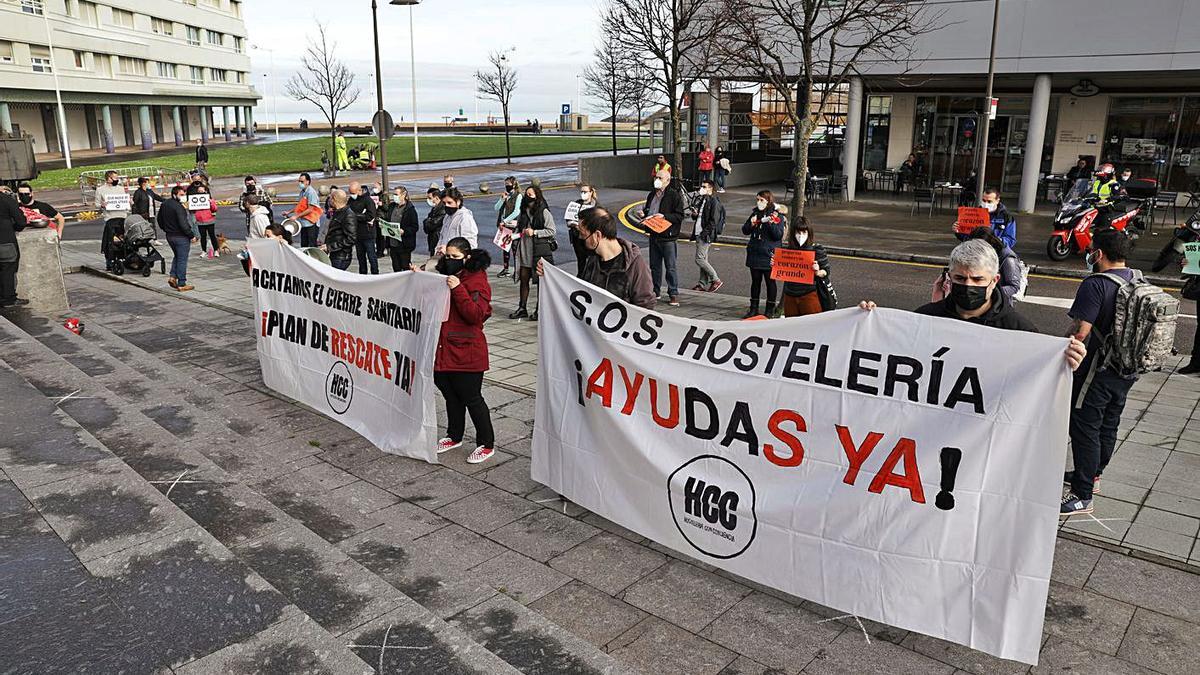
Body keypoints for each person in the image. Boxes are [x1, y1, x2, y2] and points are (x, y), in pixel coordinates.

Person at [857, 239, 1085, 358]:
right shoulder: (925, 318)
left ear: (995, 280)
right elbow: (888, 351)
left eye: (977, 280)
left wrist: (1065, 361)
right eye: (960, 278)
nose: (968, 285)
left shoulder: (1019, 330)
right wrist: (869, 324)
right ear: (949, 277)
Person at [1062, 229, 1140, 516]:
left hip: (1097, 369)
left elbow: (1081, 332)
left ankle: (1082, 495)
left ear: (1100, 253)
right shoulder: (1137, 279)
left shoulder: (1096, 284)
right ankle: (1093, 475)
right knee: (1109, 423)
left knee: (1085, 428)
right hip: (1127, 368)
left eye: (1093, 249)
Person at [433, 237, 496, 465]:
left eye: (455, 257)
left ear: (467, 257)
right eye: (447, 256)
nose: (450, 261)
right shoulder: (448, 275)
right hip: (444, 347)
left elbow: (476, 315)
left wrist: (458, 289)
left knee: (471, 398)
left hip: (466, 350)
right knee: (451, 395)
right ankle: (454, 435)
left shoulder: (476, 280)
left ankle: (486, 443)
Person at [540, 207, 656, 310]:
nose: (579, 238)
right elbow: (579, 293)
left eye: (582, 234)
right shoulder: (591, 261)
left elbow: (645, 307)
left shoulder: (634, 264)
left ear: (597, 235)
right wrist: (550, 276)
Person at [509, 185, 557, 320]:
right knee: (524, 279)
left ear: (537, 196)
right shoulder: (523, 211)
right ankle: (522, 307)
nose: (528, 196)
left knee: (540, 282)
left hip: (538, 250)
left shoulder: (544, 212)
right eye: (527, 194)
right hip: (524, 249)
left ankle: (539, 309)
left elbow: (552, 230)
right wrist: (509, 228)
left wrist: (535, 232)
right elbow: (519, 228)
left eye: (531, 194)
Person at [639, 169, 684, 306]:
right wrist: (644, 214)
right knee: (655, 266)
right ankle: (655, 291)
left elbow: (679, 215)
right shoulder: (652, 194)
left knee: (671, 267)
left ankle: (673, 293)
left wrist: (664, 216)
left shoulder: (674, 195)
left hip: (668, 237)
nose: (656, 180)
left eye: (660, 178)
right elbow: (649, 210)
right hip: (654, 235)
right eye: (655, 177)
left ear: (667, 181)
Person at [742, 190, 785, 318]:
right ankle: (753, 308)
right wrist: (751, 223)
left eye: (762, 200)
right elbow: (745, 230)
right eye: (757, 200)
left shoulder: (777, 216)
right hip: (755, 252)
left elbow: (778, 235)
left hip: (769, 254)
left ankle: (769, 309)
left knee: (770, 283)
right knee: (755, 282)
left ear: (768, 201)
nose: (759, 202)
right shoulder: (755, 214)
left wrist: (771, 223)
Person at [781, 216, 830, 317]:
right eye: (798, 233)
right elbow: (780, 270)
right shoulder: (788, 251)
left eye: (804, 233)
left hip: (809, 295)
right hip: (790, 295)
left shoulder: (817, 250)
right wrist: (775, 264)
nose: (801, 236)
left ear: (809, 233)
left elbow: (826, 271)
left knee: (812, 326)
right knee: (791, 327)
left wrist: (818, 271)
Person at [159, 185, 196, 292]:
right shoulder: (179, 207)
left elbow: (159, 219)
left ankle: (172, 277)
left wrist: (166, 229)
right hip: (181, 237)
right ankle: (182, 283)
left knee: (177, 256)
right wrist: (191, 235)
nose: (183, 197)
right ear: (175, 194)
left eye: (184, 195)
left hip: (170, 236)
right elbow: (183, 224)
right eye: (181, 195)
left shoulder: (165, 204)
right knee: (182, 259)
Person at [690, 179, 723, 293]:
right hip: (699, 232)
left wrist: (704, 234)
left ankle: (716, 279)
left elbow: (713, 221)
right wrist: (695, 214)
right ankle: (702, 284)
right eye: (702, 186)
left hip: (705, 234)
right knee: (703, 259)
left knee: (699, 259)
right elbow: (699, 217)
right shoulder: (703, 199)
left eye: (704, 186)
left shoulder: (714, 202)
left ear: (711, 188)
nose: (702, 188)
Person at [0, 188, 28, 308]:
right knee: (7, 269)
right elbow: (21, 222)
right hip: (5, 241)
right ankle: (8, 299)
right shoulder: (6, 200)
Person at [381, 186, 418, 272]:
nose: (394, 196)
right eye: (394, 194)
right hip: (393, 243)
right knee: (396, 267)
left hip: (404, 244)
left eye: (396, 194)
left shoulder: (409, 210)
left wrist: (404, 231)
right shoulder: (392, 206)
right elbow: (387, 219)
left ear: (403, 195)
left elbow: (414, 227)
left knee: (405, 267)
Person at [566, 183, 598, 277]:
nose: (583, 193)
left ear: (591, 192)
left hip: (590, 237)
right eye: (582, 192)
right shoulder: (576, 204)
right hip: (577, 238)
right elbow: (568, 219)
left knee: (591, 261)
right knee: (581, 261)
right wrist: (573, 224)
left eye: (585, 191)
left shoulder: (596, 206)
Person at [348, 181, 379, 275]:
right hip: (357, 234)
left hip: (368, 233)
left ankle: (375, 274)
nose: (352, 195)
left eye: (353, 193)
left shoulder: (368, 200)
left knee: (371, 257)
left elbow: (371, 216)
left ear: (359, 190)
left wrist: (355, 216)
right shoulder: (351, 200)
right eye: (350, 193)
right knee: (360, 258)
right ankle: (363, 275)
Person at [322, 189, 357, 271]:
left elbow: (351, 239)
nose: (329, 200)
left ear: (334, 199)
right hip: (335, 254)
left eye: (330, 198)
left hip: (341, 257)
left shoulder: (348, 215)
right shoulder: (338, 212)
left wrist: (330, 247)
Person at [494, 176, 522, 278]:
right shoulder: (506, 196)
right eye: (505, 185)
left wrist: (505, 221)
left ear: (514, 185)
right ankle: (506, 269)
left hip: (513, 225)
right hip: (504, 225)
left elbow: (517, 211)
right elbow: (496, 208)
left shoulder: (518, 196)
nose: (507, 187)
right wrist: (502, 199)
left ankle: (516, 270)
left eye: (508, 185)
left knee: (514, 248)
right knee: (505, 247)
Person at [436, 187, 479, 252]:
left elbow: (470, 243)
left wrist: (449, 250)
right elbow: (442, 237)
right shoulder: (447, 217)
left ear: (458, 202)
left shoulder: (465, 218)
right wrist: (437, 250)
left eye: (449, 202)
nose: (447, 206)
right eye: (444, 203)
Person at [286, 173, 323, 248]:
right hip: (304, 223)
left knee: (311, 246)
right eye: (299, 181)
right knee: (304, 245)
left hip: (311, 223)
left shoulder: (311, 192)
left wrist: (296, 216)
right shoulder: (302, 192)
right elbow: (300, 206)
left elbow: (310, 209)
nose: (300, 183)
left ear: (307, 182)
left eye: (302, 181)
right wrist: (289, 212)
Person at [186, 182, 220, 259]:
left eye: (202, 191)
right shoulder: (195, 199)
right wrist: (190, 205)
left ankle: (216, 250)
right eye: (199, 191)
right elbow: (192, 209)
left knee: (212, 236)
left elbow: (215, 209)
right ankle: (204, 251)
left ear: (206, 191)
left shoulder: (210, 200)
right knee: (203, 237)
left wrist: (211, 202)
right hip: (200, 221)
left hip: (210, 220)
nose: (201, 193)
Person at [1089, 163, 1122, 230]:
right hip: (1095, 207)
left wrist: (1106, 200)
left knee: (1102, 228)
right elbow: (1093, 193)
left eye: (1103, 176)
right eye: (1100, 176)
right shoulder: (1097, 182)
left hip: (1107, 208)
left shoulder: (1114, 184)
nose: (1101, 178)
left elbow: (1117, 196)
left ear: (1108, 175)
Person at [423, 187, 446, 256]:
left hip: (438, 241)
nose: (428, 200)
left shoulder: (443, 209)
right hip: (433, 240)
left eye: (430, 198)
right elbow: (426, 225)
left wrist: (428, 221)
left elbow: (432, 224)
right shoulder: (434, 209)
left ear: (436, 197)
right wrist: (427, 221)